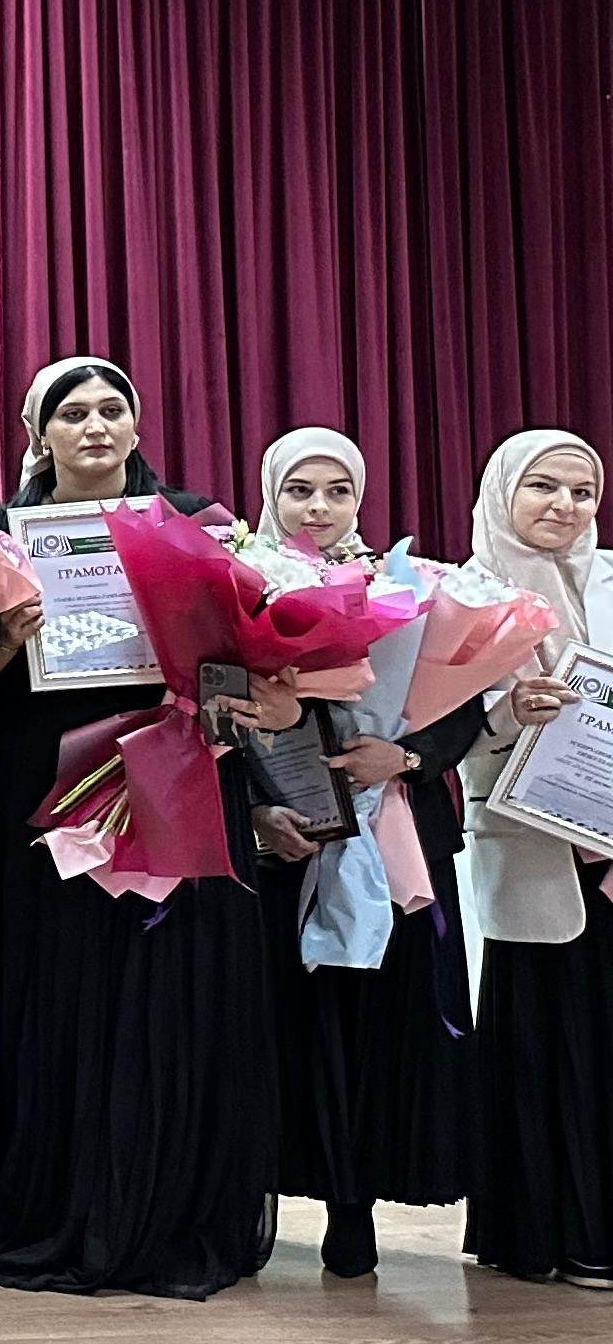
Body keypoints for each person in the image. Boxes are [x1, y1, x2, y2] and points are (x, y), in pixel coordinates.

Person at [0, 357, 277, 1301]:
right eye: (72, 413)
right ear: (37, 433)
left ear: (136, 426)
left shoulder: (194, 523)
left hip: (173, 771)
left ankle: (168, 1210)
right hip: (46, 780)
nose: (95, 427)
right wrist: (4, 641)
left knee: (167, 989)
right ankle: (64, 1202)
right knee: (60, 987)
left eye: (112, 410)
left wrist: (216, 692)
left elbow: (235, 661)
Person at [242, 428, 470, 1284]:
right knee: (283, 1025)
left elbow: (461, 705)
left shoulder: (410, 590)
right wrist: (258, 805)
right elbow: (208, 705)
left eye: (337, 492)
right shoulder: (242, 581)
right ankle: (258, 1197)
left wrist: (402, 758)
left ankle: (354, 1204)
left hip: (392, 829)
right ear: (272, 495)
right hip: (283, 843)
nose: (318, 508)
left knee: (371, 1029)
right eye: (299, 490)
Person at [457, 428, 610, 1288]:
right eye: (544, 486)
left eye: (582, 491)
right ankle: (544, 1234)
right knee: (542, 1045)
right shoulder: (467, 594)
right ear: (503, 493)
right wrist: (508, 711)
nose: (564, 505)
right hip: (533, 851)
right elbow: (434, 730)